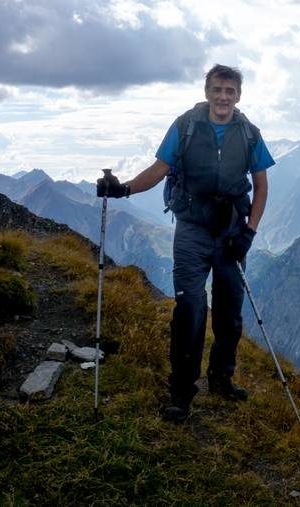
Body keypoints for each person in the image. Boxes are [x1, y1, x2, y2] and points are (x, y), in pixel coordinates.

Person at [97, 64, 275, 422]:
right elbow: (159, 168)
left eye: (230, 91)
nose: (223, 97)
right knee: (191, 309)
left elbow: (261, 185)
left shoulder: (250, 134)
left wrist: (249, 232)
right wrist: (124, 188)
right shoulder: (185, 127)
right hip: (192, 231)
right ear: (207, 91)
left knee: (228, 312)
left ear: (238, 95)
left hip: (230, 233)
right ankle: (181, 391)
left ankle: (221, 379)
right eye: (218, 89)